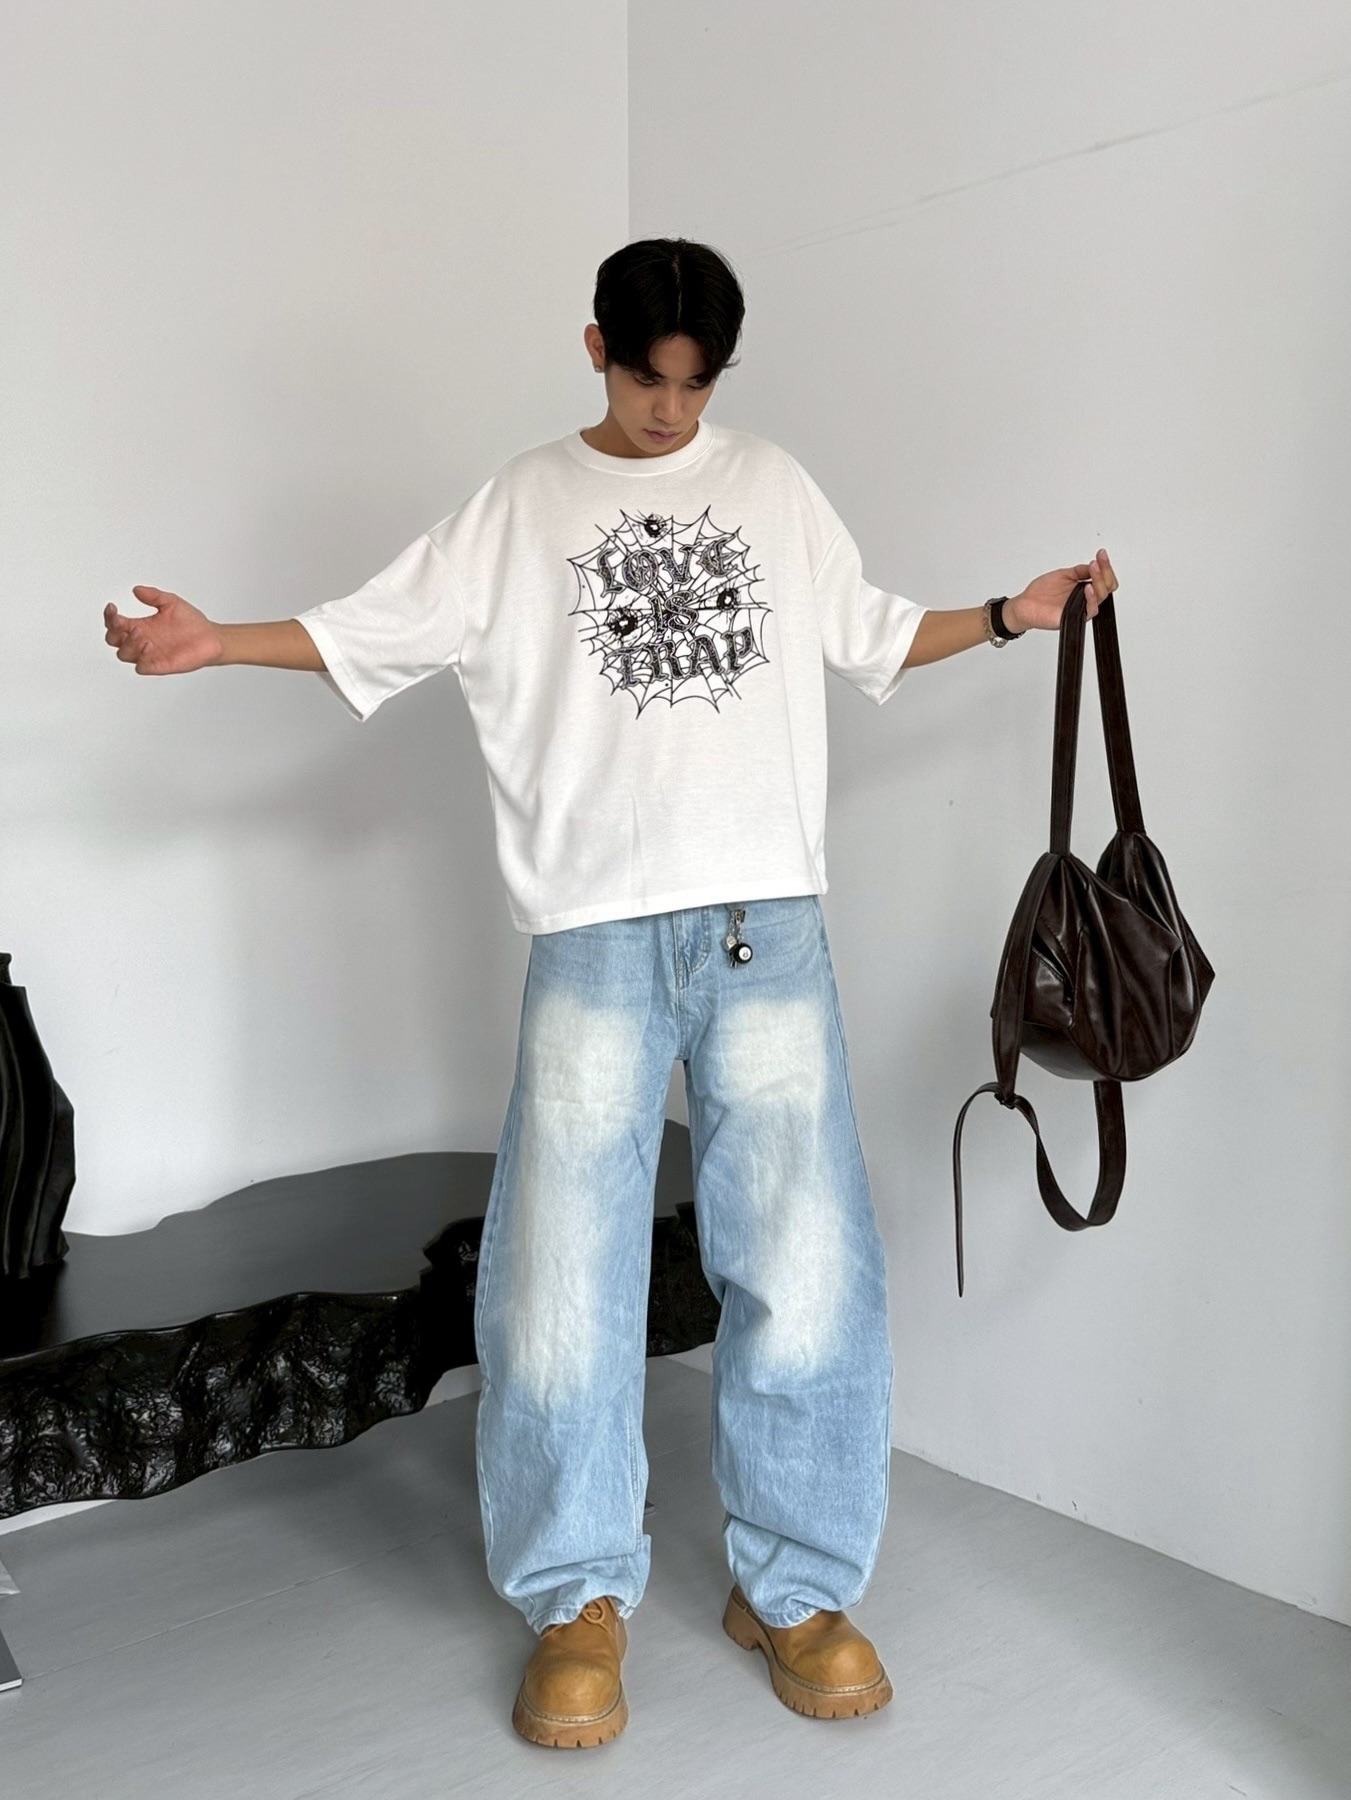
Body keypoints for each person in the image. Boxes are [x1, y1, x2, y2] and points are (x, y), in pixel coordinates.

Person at [104, 237, 1118, 1750]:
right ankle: (577, 1595)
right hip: (592, 935)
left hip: (765, 927)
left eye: (698, 386)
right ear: (597, 348)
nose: (671, 412)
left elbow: (869, 632)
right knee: (562, 1280)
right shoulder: (523, 505)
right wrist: (216, 644)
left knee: (806, 1266)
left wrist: (1009, 613)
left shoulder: (771, 486)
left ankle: (795, 1587)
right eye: (650, 379)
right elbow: (372, 629)